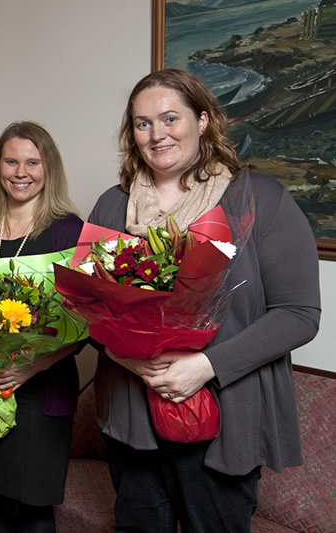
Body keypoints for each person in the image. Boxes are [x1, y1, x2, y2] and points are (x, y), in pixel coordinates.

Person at [90, 69, 321, 532]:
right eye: (142, 123)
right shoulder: (113, 207)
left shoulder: (260, 199)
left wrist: (205, 366)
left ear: (204, 120)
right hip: (133, 418)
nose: (157, 135)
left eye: (170, 118)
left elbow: (299, 315)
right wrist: (129, 359)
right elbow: (89, 311)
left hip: (223, 415)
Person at [0, 121, 83, 533]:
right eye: (11, 161)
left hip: (41, 391)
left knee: (35, 508)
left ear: (48, 167)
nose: (20, 172)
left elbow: (84, 320)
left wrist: (30, 367)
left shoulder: (68, 230)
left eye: (32, 162)